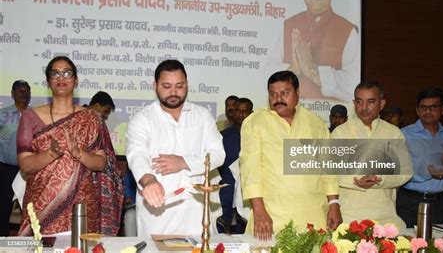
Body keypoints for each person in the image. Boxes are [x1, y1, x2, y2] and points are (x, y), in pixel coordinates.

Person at [16, 56, 123, 236]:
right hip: (42, 204)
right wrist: (51, 153)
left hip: (81, 208)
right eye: (55, 73)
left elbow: (101, 163)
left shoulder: (91, 118)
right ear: (48, 81)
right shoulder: (30, 117)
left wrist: (79, 153)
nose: (61, 78)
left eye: (67, 73)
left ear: (76, 81)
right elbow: (25, 165)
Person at [126, 59, 225, 236]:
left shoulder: (202, 116)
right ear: (155, 85)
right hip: (158, 213)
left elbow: (218, 154)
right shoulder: (143, 119)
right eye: (166, 86)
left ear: (187, 84)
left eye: (179, 86)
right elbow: (137, 153)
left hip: (197, 213)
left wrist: (183, 162)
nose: (173, 92)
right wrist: (149, 181)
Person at [240, 70, 341, 240]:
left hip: (314, 215)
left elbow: (328, 169)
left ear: (297, 94)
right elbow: (251, 170)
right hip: (272, 216)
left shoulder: (315, 123)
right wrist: (259, 211)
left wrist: (334, 203)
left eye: (285, 93)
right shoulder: (255, 122)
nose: (278, 98)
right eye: (273, 94)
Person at [331, 81, 413, 228]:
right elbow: (330, 173)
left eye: (370, 102)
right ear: (353, 103)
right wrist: (357, 179)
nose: (363, 107)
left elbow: (406, 173)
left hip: (385, 217)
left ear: (381, 104)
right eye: (359, 101)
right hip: (349, 216)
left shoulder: (393, 133)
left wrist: (380, 178)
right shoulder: (340, 133)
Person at [283, 0, 360, 101]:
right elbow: (265, 75)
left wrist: (312, 71)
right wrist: (294, 68)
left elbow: (354, 87)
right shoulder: (288, 26)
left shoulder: (348, 31)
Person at [397, 87, 443, 227]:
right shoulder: (403, 135)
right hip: (410, 201)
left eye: (433, 107)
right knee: (407, 244)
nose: (428, 111)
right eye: (423, 107)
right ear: (417, 110)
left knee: (437, 245)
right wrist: (433, 173)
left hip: (440, 203)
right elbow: (398, 171)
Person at [217, 97, 253, 234]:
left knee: (244, 233)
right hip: (227, 191)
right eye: (238, 111)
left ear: (251, 113)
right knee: (223, 232)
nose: (240, 114)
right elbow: (218, 164)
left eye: (245, 111)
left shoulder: (256, 136)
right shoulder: (222, 137)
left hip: (248, 194)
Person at [0, 80, 30, 236]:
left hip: (29, 170)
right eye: (20, 90)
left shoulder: (34, 115)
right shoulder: (2, 114)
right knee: (3, 208)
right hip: (6, 169)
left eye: (26, 90)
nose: (24, 93)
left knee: (30, 209)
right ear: (12, 94)